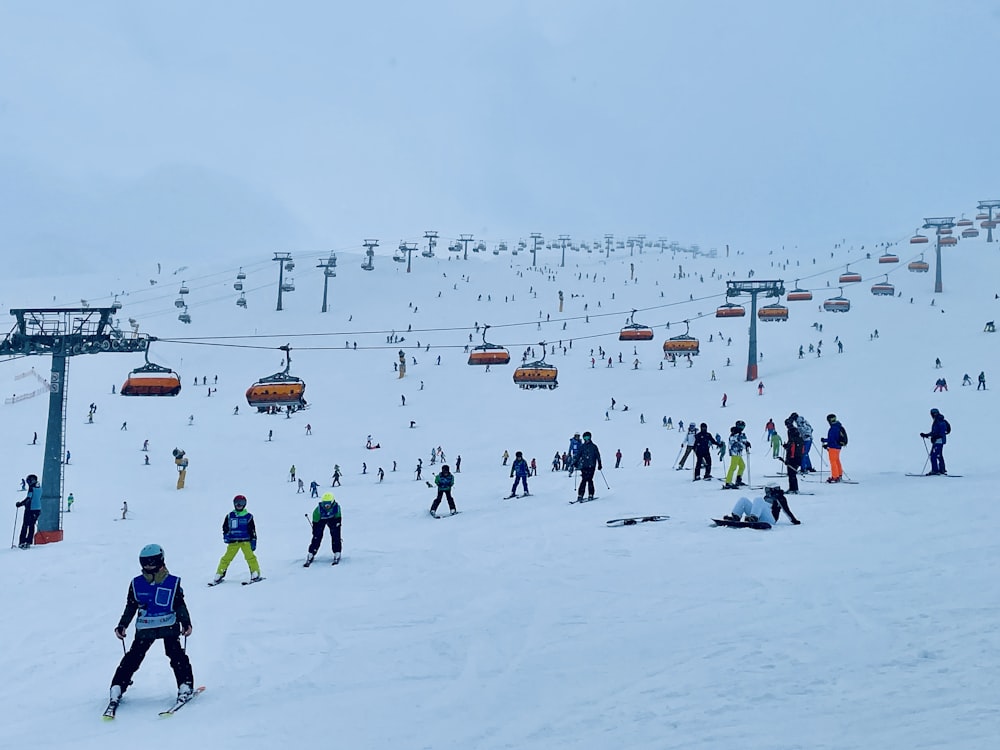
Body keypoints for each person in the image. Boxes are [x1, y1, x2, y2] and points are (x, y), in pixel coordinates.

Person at [106, 544, 194, 716]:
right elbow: (131, 606)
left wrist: (186, 622)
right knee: (133, 657)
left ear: (160, 560)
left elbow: (179, 604)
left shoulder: (172, 582)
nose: (148, 566)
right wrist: (122, 624)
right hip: (146, 626)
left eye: (152, 562)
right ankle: (117, 687)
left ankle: (185, 685)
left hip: (168, 625)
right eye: (145, 562)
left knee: (175, 654)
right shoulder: (136, 584)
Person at [211, 495, 261, 584]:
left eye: (241, 503)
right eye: (237, 503)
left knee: (250, 557)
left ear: (245, 504)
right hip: (234, 542)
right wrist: (226, 536)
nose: (239, 505)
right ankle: (219, 574)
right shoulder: (230, 516)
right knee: (226, 558)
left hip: (245, 541)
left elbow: (252, 529)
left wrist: (253, 540)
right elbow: (225, 527)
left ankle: (255, 573)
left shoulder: (248, 517)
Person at [723, 485, 800, 527]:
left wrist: (794, 521)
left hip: (771, 520)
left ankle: (753, 518)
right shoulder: (766, 498)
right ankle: (736, 516)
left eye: (768, 490)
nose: (766, 492)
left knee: (758, 499)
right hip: (760, 516)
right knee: (743, 499)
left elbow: (786, 510)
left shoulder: (780, 498)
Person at [307, 493, 342, 564]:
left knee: (336, 535)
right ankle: (312, 552)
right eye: (325, 504)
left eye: (328, 504)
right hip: (321, 520)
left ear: (332, 502)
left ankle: (337, 551)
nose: (327, 506)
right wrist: (315, 530)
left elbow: (338, 517)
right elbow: (315, 521)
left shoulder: (336, 508)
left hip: (333, 519)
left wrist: (337, 524)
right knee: (317, 536)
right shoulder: (318, 510)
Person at [920, 408, 951, 475]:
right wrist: (927, 435)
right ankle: (942, 470)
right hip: (940, 440)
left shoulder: (938, 421)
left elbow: (937, 432)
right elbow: (937, 432)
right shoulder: (940, 420)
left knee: (933, 455)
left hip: (938, 441)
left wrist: (930, 435)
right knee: (939, 455)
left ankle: (935, 470)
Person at [15, 473, 42, 548]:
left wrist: (20, 504)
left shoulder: (31, 488)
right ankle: (29, 542)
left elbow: (29, 498)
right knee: (31, 526)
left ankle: (22, 542)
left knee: (25, 525)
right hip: (37, 510)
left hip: (30, 509)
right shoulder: (40, 487)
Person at [575, 431, 603, 501]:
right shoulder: (582, 447)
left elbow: (598, 456)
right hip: (584, 466)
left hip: (592, 465)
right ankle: (580, 495)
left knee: (589, 479)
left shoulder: (594, 447)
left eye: (587, 437)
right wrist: (575, 462)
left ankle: (591, 494)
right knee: (584, 480)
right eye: (585, 437)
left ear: (590, 437)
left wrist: (599, 464)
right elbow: (578, 455)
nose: (586, 439)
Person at [724, 421, 751, 489]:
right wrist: (745, 444)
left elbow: (741, 441)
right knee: (733, 467)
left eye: (743, 426)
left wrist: (746, 443)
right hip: (735, 452)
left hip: (738, 452)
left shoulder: (739, 433)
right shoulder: (735, 433)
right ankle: (728, 482)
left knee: (742, 466)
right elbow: (737, 442)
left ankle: (738, 480)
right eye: (741, 426)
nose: (742, 428)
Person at [821, 414, 847, 483]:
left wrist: (825, 442)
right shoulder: (838, 426)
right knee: (837, 460)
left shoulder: (833, 428)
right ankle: (839, 474)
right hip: (838, 446)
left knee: (833, 462)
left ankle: (835, 477)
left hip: (833, 447)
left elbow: (832, 439)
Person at [783, 425, 805, 493]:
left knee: (791, 474)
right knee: (793, 474)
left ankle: (793, 488)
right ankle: (794, 488)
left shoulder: (792, 440)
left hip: (792, 459)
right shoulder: (800, 439)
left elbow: (791, 451)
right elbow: (802, 450)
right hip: (799, 458)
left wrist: (788, 460)